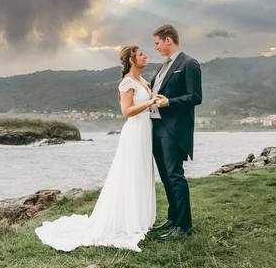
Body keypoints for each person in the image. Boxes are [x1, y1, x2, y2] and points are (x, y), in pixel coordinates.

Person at [34, 45, 163, 252]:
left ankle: (141, 218)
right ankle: (127, 222)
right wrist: (150, 104)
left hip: (145, 131)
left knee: (141, 173)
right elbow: (127, 111)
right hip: (134, 132)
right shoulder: (127, 82)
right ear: (131, 59)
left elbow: (149, 105)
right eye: (141, 54)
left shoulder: (143, 81)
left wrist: (157, 103)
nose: (145, 56)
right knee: (130, 174)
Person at [147, 24, 202, 239]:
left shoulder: (189, 63)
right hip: (157, 128)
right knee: (166, 176)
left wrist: (169, 102)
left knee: (175, 175)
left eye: (157, 43)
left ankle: (184, 226)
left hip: (174, 130)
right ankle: (173, 219)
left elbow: (195, 97)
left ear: (168, 40)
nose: (156, 47)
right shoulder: (163, 67)